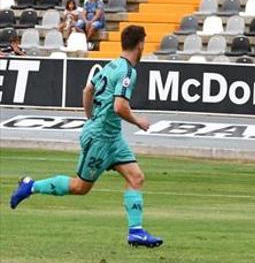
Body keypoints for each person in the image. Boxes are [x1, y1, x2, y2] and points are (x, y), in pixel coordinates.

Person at [10, 25, 163, 248]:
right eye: (144, 43)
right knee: (80, 187)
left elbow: (87, 90)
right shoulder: (127, 71)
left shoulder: (110, 66)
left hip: (112, 137)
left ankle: (136, 232)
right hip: (101, 137)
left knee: (136, 177)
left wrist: (90, 116)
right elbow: (120, 106)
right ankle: (30, 186)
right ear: (140, 44)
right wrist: (138, 121)